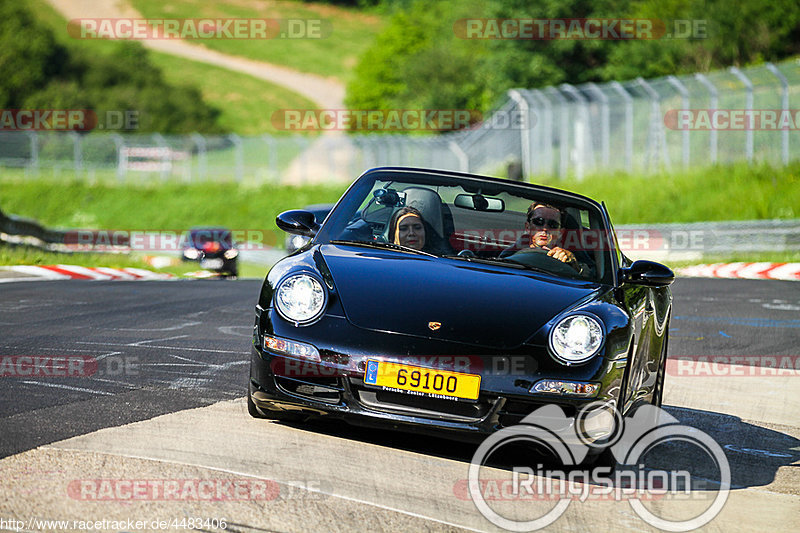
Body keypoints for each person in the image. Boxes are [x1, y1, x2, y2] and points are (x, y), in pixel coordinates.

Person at [522, 202, 589, 274]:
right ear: (527, 227)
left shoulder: (565, 259)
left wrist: (575, 266)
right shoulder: (511, 252)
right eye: (539, 221)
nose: (545, 228)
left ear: (560, 233)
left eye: (552, 224)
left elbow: (589, 277)